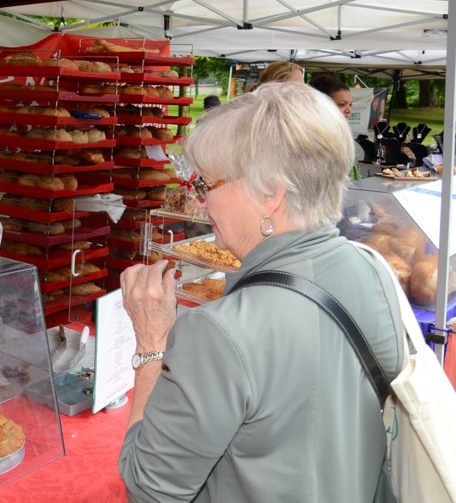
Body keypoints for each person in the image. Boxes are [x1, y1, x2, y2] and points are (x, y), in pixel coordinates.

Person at [118, 82, 405, 502]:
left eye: (207, 185)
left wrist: (151, 345)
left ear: (271, 193)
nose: (199, 204)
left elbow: (147, 487)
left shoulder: (219, 330)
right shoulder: (370, 268)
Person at [309, 72, 364, 179]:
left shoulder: (341, 134)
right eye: (342, 104)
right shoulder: (311, 137)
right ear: (323, 105)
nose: (349, 110)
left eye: (350, 104)